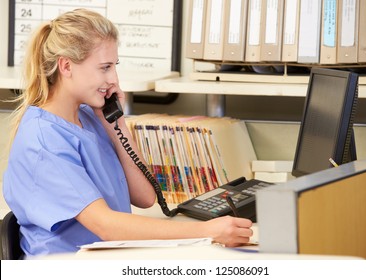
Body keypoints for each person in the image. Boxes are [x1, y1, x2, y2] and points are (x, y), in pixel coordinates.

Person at [3, 9, 253, 257]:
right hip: (64, 268)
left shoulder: (89, 118)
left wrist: (115, 122)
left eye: (114, 66)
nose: (113, 78)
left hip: (107, 259)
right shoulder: (44, 139)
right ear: (66, 66)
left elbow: (145, 197)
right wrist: (206, 230)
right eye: (105, 67)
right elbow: (106, 225)